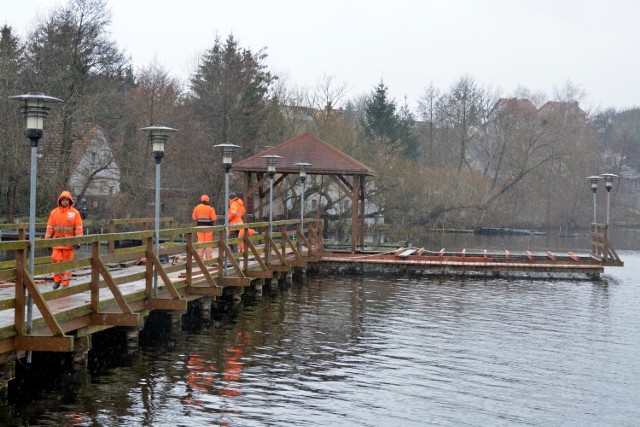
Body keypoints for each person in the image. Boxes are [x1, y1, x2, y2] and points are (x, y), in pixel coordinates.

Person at [44, 191, 84, 289]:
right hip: (56, 242)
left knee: (67, 263)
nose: (64, 201)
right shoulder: (54, 213)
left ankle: (65, 283)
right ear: (60, 201)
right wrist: (46, 241)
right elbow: (50, 228)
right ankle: (57, 280)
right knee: (55, 260)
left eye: (66, 200)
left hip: (69, 243)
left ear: (69, 201)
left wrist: (78, 242)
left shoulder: (75, 213)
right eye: (63, 200)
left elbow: (78, 228)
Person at [192, 195, 217, 260]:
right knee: (208, 243)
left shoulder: (197, 207)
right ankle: (209, 259)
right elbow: (214, 218)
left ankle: (199, 258)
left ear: (201, 200)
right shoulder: (210, 208)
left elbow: (194, 217)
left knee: (200, 242)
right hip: (208, 227)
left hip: (199, 227)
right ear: (208, 200)